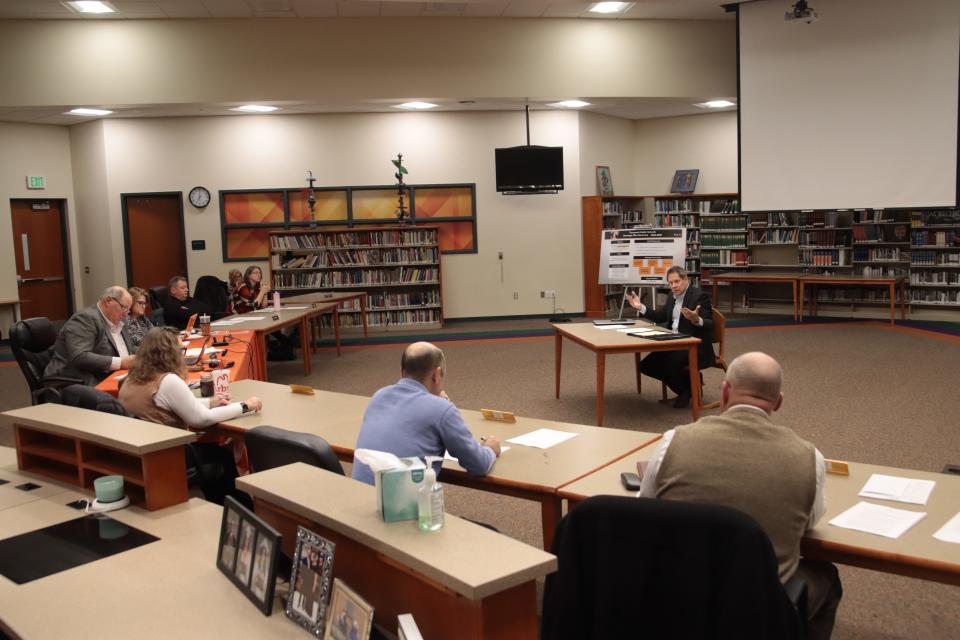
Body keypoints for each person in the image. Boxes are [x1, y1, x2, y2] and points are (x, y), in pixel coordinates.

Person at [638, 352, 842, 640]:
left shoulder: (673, 441)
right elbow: (807, 523)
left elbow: (645, 510)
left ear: (724, 393)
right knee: (826, 576)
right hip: (756, 614)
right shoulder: (811, 458)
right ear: (779, 402)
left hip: (677, 601)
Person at [118, 327, 263, 505]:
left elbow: (170, 405)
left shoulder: (130, 379)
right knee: (222, 456)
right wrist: (245, 406)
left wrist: (211, 402)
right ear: (170, 353)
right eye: (181, 350)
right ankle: (239, 509)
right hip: (169, 455)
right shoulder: (168, 381)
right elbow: (201, 419)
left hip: (142, 453)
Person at [352, 341, 501, 485]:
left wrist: (436, 403)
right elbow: (478, 465)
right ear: (436, 375)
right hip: (396, 505)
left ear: (402, 371)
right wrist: (490, 449)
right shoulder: (442, 409)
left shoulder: (379, 396)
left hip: (360, 496)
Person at [625, 265, 714, 408]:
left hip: (694, 345)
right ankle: (688, 386)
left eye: (677, 282)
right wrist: (640, 307)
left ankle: (685, 391)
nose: (674, 286)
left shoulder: (699, 296)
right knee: (645, 366)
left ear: (686, 280)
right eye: (671, 283)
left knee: (670, 366)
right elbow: (661, 316)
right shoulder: (672, 297)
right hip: (673, 342)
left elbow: (710, 324)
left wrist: (696, 319)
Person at [44, 285, 136, 386]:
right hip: (77, 381)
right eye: (124, 308)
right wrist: (121, 362)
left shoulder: (120, 320)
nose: (126, 314)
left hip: (117, 376)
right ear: (108, 301)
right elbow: (80, 357)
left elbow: (128, 350)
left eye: (128, 310)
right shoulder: (85, 319)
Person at [124, 286, 154, 351]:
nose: (143, 306)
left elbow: (155, 333)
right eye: (140, 303)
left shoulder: (142, 318)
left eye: (145, 303)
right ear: (131, 302)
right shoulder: (125, 320)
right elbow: (139, 343)